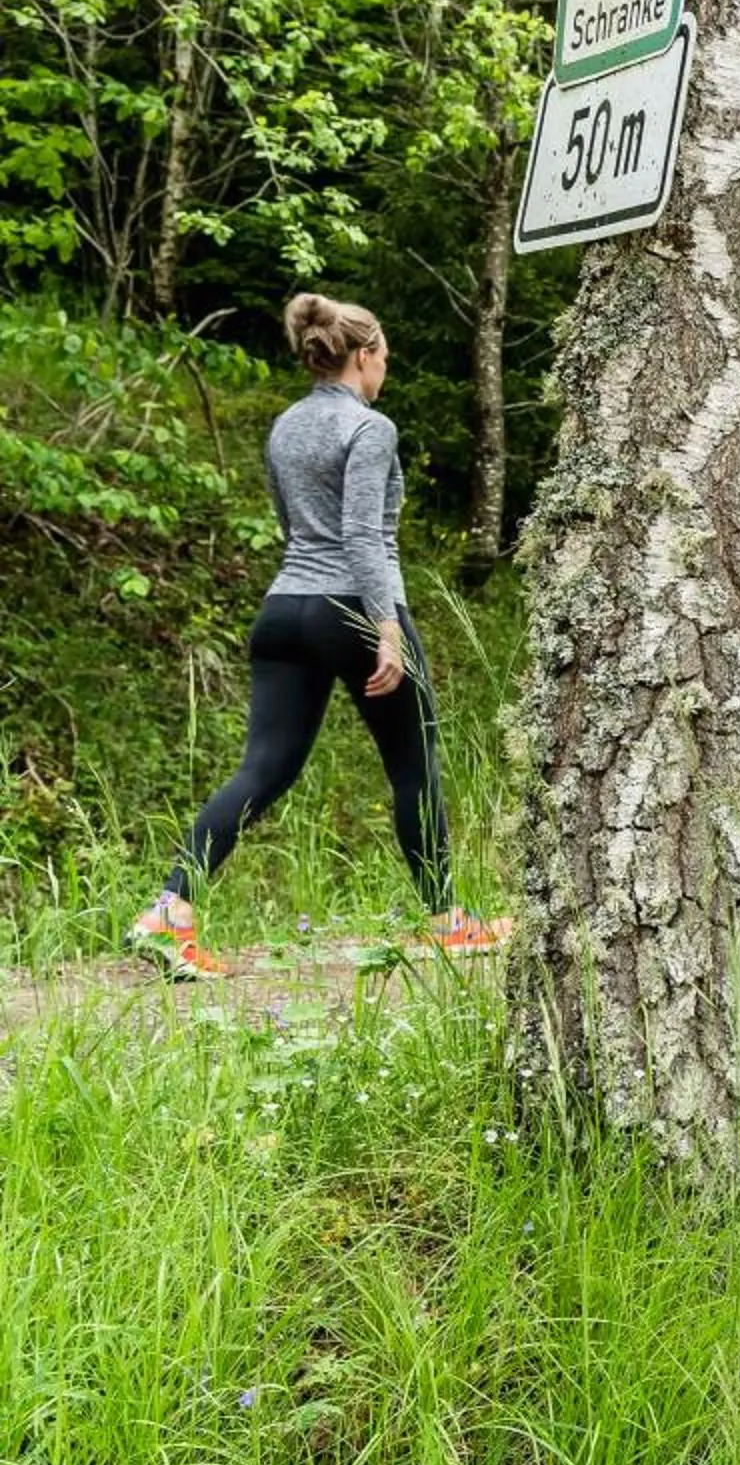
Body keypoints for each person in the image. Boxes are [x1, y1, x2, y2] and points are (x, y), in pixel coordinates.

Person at [127, 293, 510, 978]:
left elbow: (290, 521)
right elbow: (363, 535)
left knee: (263, 769)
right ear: (364, 356)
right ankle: (449, 922)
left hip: (283, 609)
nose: (385, 371)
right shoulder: (371, 428)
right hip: (354, 608)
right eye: (384, 358)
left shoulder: (285, 426)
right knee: (412, 768)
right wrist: (386, 628)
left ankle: (169, 912)